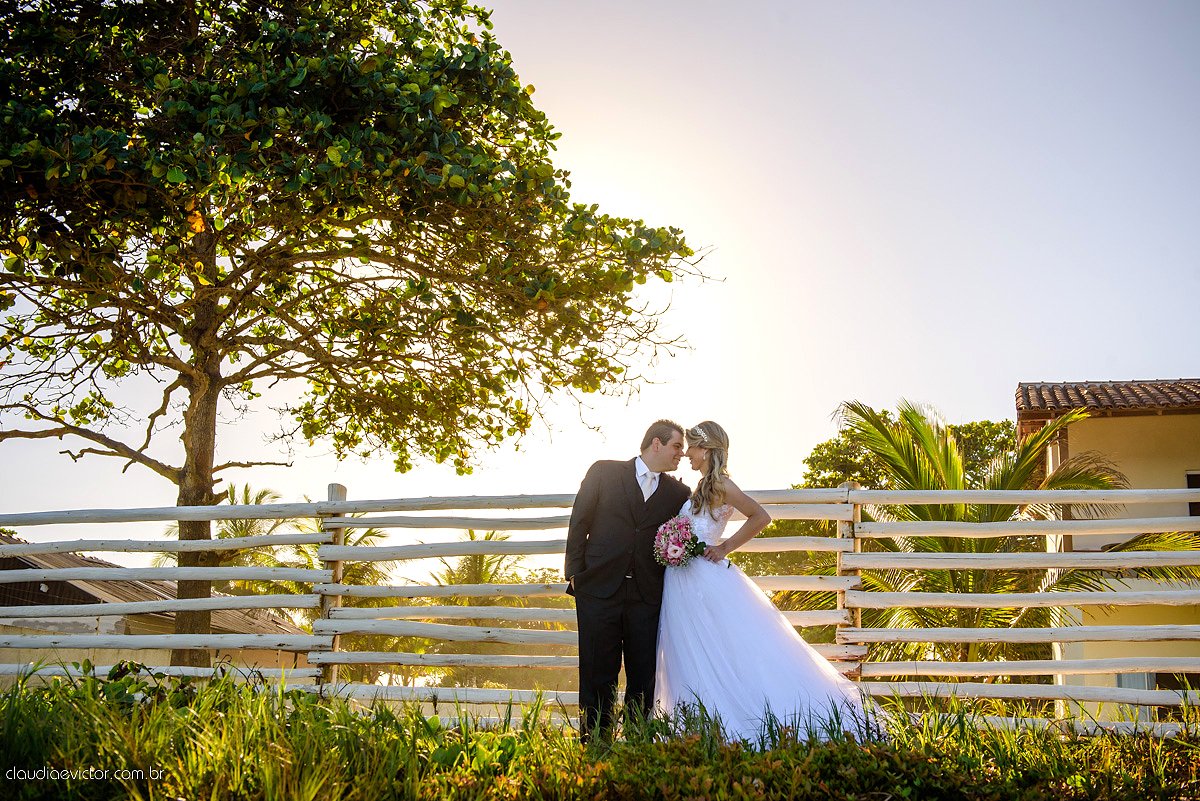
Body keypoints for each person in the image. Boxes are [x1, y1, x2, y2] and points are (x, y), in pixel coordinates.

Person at [654, 421, 868, 742]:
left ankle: (730, 724)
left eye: (693, 448)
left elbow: (761, 516)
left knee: (718, 650)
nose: (687, 454)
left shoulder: (724, 485)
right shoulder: (699, 488)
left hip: (704, 580)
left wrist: (724, 547)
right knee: (687, 650)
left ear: (708, 449)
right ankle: (691, 728)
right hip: (681, 582)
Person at [565, 419, 693, 741]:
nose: (682, 453)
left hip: (647, 596)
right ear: (656, 444)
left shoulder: (679, 493)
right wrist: (576, 575)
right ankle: (595, 743)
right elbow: (580, 521)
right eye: (677, 446)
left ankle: (637, 744)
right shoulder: (604, 472)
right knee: (597, 672)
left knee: (643, 675)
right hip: (597, 590)